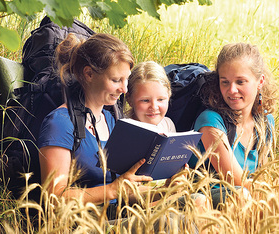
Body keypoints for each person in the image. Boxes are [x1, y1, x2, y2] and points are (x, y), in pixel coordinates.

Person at [37, 33, 153, 216]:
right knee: (172, 220)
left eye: (126, 79)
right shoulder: (60, 123)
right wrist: (113, 190)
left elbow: (125, 190)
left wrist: (167, 189)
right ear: (89, 74)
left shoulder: (111, 119)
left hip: (117, 214)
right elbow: (54, 198)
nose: (124, 89)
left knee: (195, 200)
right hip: (85, 223)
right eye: (116, 80)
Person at [189, 42, 278, 208]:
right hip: (205, 198)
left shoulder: (266, 122)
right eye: (225, 82)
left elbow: (262, 175)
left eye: (240, 82)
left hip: (249, 197)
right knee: (242, 196)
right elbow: (235, 180)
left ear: (260, 82)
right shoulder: (210, 121)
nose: (231, 90)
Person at [125, 61, 209, 209]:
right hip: (139, 204)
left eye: (161, 99)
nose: (154, 107)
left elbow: (175, 169)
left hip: (167, 194)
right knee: (197, 201)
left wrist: (180, 177)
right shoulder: (126, 130)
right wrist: (164, 190)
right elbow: (124, 191)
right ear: (129, 99)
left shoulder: (168, 124)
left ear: (169, 96)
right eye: (145, 100)